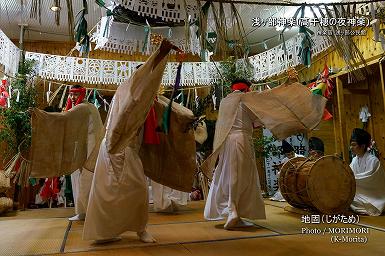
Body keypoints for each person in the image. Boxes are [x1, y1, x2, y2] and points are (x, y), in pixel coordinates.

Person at [83, 39, 181, 243]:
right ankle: (109, 230)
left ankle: (136, 228)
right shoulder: (130, 92)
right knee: (121, 191)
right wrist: (161, 53)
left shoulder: (141, 96)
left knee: (131, 191)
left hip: (124, 148)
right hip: (116, 147)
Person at [201, 78, 326, 230]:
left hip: (227, 143)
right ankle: (233, 210)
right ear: (247, 89)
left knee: (229, 174)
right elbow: (262, 116)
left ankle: (235, 212)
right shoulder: (246, 100)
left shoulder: (225, 102)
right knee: (241, 176)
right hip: (242, 140)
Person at [66, 85, 95, 221]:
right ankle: (81, 211)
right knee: (76, 178)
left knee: (85, 179)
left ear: (82, 94)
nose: (72, 97)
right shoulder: (75, 109)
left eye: (75, 94)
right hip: (76, 147)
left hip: (87, 148)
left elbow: (92, 132)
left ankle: (88, 211)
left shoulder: (86, 108)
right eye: (71, 94)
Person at [349, 128, 385, 216]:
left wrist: (351, 179)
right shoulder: (354, 160)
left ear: (363, 146)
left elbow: (369, 180)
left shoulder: (373, 160)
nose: (351, 148)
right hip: (359, 194)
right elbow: (349, 175)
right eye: (351, 145)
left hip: (373, 196)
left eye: (354, 145)